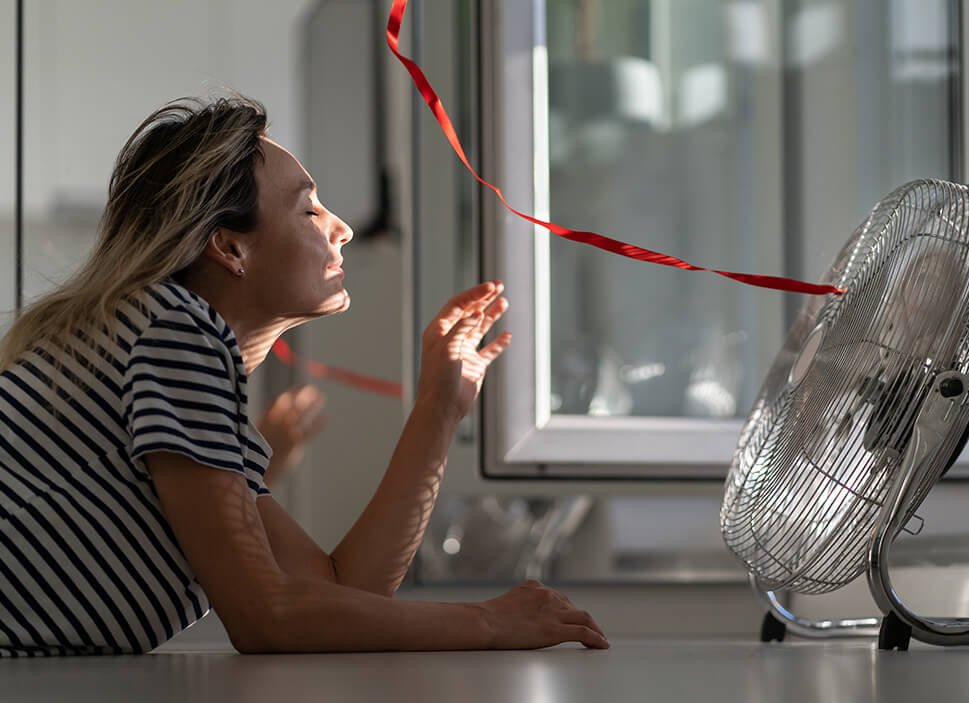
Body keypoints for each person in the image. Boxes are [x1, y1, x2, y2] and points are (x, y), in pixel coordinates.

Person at [0, 94, 609, 656]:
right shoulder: (173, 332)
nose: (340, 228)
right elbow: (269, 617)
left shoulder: (171, 349)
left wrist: (439, 407)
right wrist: (490, 622)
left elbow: (342, 589)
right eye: (309, 208)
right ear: (229, 249)